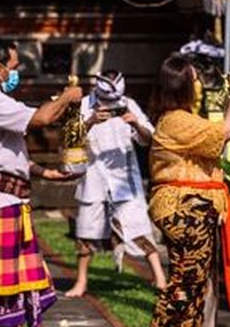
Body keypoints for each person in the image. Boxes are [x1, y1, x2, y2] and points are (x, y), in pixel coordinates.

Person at [0, 39, 81, 327]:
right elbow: (42, 119)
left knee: (18, 271)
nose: (17, 73)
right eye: (14, 67)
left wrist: (46, 173)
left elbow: (10, 155)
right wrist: (67, 97)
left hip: (13, 196)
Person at [142, 55, 230, 327]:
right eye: (195, 79)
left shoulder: (182, 120)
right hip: (182, 206)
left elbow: (220, 135)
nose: (199, 85)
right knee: (188, 274)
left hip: (191, 206)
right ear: (184, 85)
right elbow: (224, 133)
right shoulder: (177, 120)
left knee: (198, 275)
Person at [67, 70, 166, 298]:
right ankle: (81, 281)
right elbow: (70, 145)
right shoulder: (80, 106)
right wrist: (90, 121)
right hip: (93, 178)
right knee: (86, 232)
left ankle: (159, 276)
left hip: (125, 180)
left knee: (139, 227)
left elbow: (150, 137)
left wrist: (136, 123)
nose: (110, 106)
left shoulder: (128, 104)